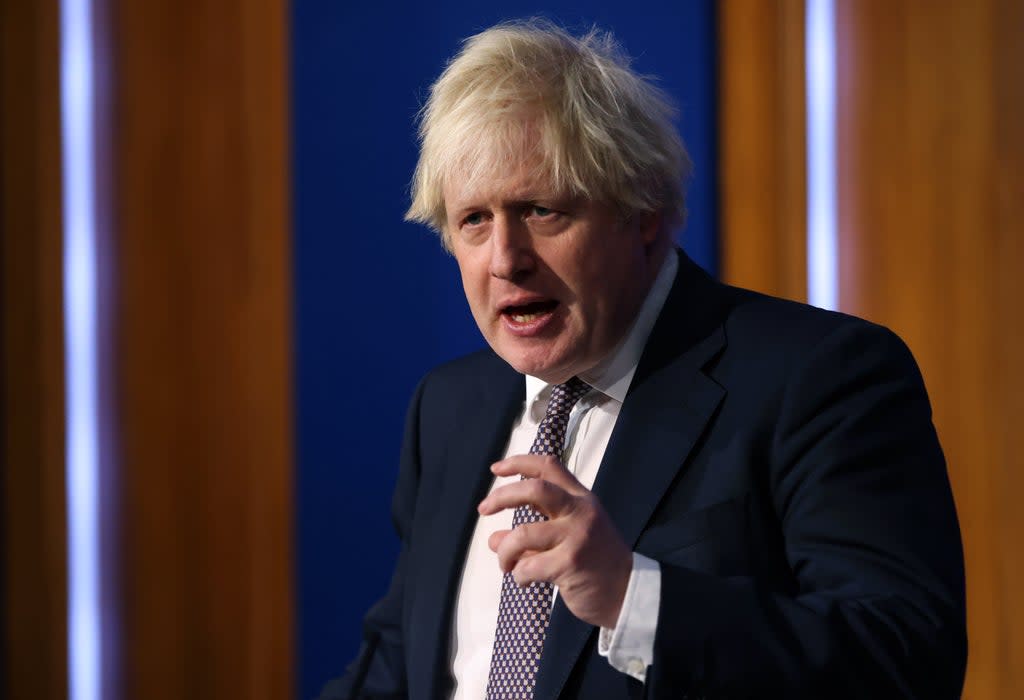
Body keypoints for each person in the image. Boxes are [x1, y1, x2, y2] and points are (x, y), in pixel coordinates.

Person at [319, 19, 966, 700]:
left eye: (541, 210)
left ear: (643, 211)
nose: (505, 260)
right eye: (474, 220)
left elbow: (904, 662)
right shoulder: (448, 408)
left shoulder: (822, 377)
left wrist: (635, 599)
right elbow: (395, 666)